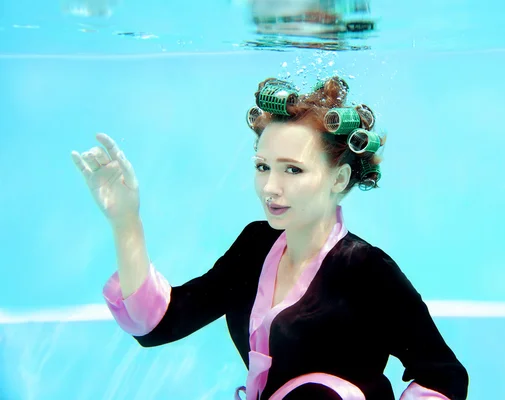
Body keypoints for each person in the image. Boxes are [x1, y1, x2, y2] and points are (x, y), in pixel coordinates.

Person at [71, 76, 469, 399]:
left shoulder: (367, 270)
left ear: (340, 178)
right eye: (262, 167)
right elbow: (161, 324)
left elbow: (443, 378)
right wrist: (126, 221)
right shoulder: (255, 246)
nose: (269, 188)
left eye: (292, 170)